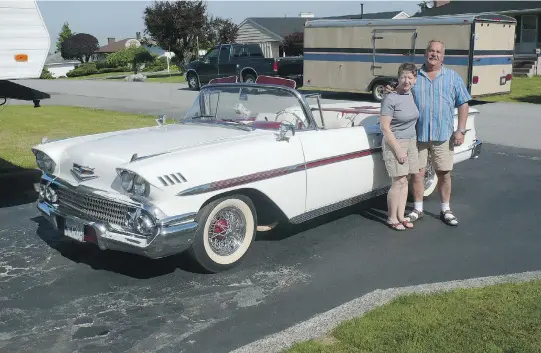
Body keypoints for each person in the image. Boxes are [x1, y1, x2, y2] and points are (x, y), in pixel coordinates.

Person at [387, 40, 472, 226]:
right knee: (417, 174)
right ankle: (418, 208)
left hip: (443, 136)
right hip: (418, 136)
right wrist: (389, 89)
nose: (434, 54)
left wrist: (461, 130)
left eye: (438, 52)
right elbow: (400, 89)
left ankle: (445, 209)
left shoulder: (452, 77)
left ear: (443, 56)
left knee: (444, 173)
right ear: (425, 53)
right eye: (431, 51)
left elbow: (463, 103)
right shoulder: (415, 76)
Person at [379, 62, 419, 231]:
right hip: (396, 142)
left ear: (415, 79)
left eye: (410, 77)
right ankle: (391, 217)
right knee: (398, 181)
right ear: (398, 78)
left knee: (406, 180)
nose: (406, 80)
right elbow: (384, 127)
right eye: (403, 76)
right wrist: (398, 149)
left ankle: (401, 215)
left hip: (411, 141)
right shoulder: (391, 98)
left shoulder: (411, 94)